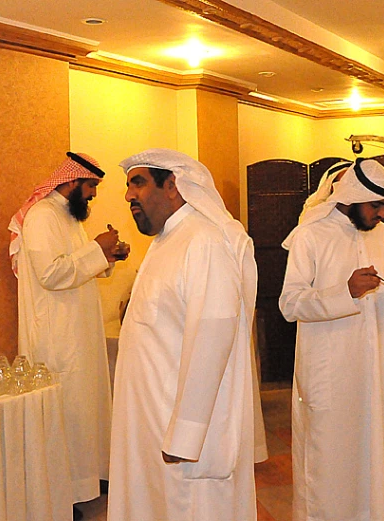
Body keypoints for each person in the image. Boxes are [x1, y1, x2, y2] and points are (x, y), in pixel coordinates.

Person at [108, 149, 267, 521]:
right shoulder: (168, 239)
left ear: (174, 187)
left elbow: (212, 342)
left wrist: (186, 434)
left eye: (138, 183)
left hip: (182, 438)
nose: (129, 195)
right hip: (152, 422)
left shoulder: (204, 241)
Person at [279, 158, 384, 521]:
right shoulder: (311, 234)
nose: (382, 213)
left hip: (370, 369)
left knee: (370, 453)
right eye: (376, 205)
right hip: (327, 370)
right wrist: (345, 291)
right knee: (326, 460)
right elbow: (289, 304)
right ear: (354, 196)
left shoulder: (382, 235)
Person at [9, 151, 125, 518]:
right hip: (57, 336)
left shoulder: (68, 217)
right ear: (73, 182)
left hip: (78, 331)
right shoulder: (43, 216)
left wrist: (109, 256)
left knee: (84, 408)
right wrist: (97, 249)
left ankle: (88, 480)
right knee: (66, 413)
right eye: (90, 186)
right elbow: (52, 274)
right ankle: (65, 492)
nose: (92, 195)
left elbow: (78, 265)